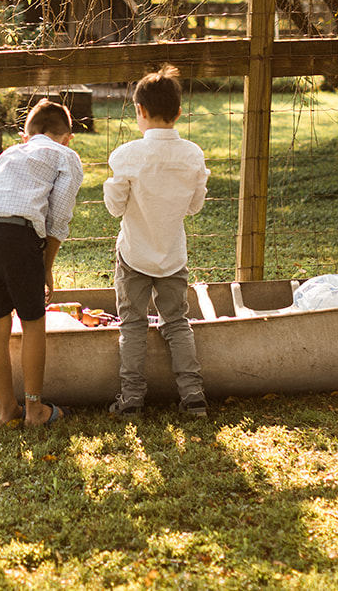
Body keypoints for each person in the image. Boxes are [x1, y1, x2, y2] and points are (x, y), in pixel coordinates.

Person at [0, 98, 82, 427]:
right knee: (32, 323)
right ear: (67, 137)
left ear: (25, 135)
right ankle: (34, 410)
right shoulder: (65, 156)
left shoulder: (10, 153)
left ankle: (6, 410)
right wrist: (46, 268)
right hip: (16, 235)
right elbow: (58, 219)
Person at [103, 65, 211, 417]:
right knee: (177, 322)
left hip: (134, 255)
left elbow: (115, 207)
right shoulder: (193, 155)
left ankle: (132, 397)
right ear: (179, 112)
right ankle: (193, 394)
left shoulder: (127, 156)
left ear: (140, 111)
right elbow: (194, 206)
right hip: (173, 257)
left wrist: (115, 185)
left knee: (133, 325)